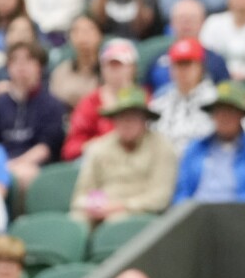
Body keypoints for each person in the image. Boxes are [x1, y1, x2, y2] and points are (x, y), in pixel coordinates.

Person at [70, 87, 177, 225]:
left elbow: (160, 198)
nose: (127, 123)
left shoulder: (162, 147)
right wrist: (94, 206)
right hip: (100, 209)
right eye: (121, 117)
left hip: (141, 214)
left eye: (133, 117)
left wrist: (121, 206)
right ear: (113, 120)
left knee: (117, 222)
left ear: (145, 120)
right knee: (75, 221)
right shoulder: (99, 148)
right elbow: (81, 195)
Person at [172, 81, 245, 205]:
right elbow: (181, 194)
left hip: (238, 217)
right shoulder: (194, 149)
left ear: (241, 115)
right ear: (213, 115)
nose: (225, 117)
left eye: (230, 111)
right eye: (220, 111)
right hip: (197, 215)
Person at [0, 42, 66, 191]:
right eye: (15, 60)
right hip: (0, 162)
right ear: (8, 67)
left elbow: (46, 148)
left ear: (39, 67)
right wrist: (1, 165)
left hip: (37, 167)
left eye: (28, 60)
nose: (21, 66)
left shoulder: (51, 104)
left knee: (25, 175)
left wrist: (14, 165)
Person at [151, 36, 219, 154]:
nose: (182, 70)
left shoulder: (215, 100)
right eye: (177, 64)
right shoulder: (159, 103)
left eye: (187, 64)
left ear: (200, 66)